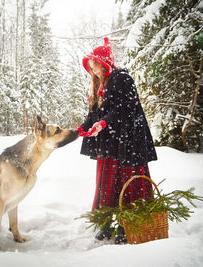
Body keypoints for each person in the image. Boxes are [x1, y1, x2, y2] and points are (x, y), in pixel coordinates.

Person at [78, 37, 157, 244]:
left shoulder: (122, 79)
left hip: (128, 142)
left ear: (104, 64)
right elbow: (95, 113)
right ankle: (107, 223)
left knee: (128, 185)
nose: (94, 72)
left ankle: (128, 224)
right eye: (92, 69)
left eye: (96, 67)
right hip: (110, 143)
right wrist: (83, 127)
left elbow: (125, 109)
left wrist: (104, 124)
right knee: (108, 185)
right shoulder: (99, 86)